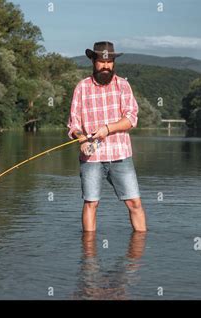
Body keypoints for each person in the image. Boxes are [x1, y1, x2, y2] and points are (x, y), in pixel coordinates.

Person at [67, 41, 147, 232]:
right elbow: (74, 125)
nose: (105, 66)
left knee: (134, 203)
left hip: (120, 154)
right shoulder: (82, 87)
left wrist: (107, 129)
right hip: (91, 157)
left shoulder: (123, 86)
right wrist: (81, 138)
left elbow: (131, 119)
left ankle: (138, 254)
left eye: (109, 61)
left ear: (113, 63)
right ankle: (88, 257)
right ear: (93, 61)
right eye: (101, 61)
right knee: (90, 204)